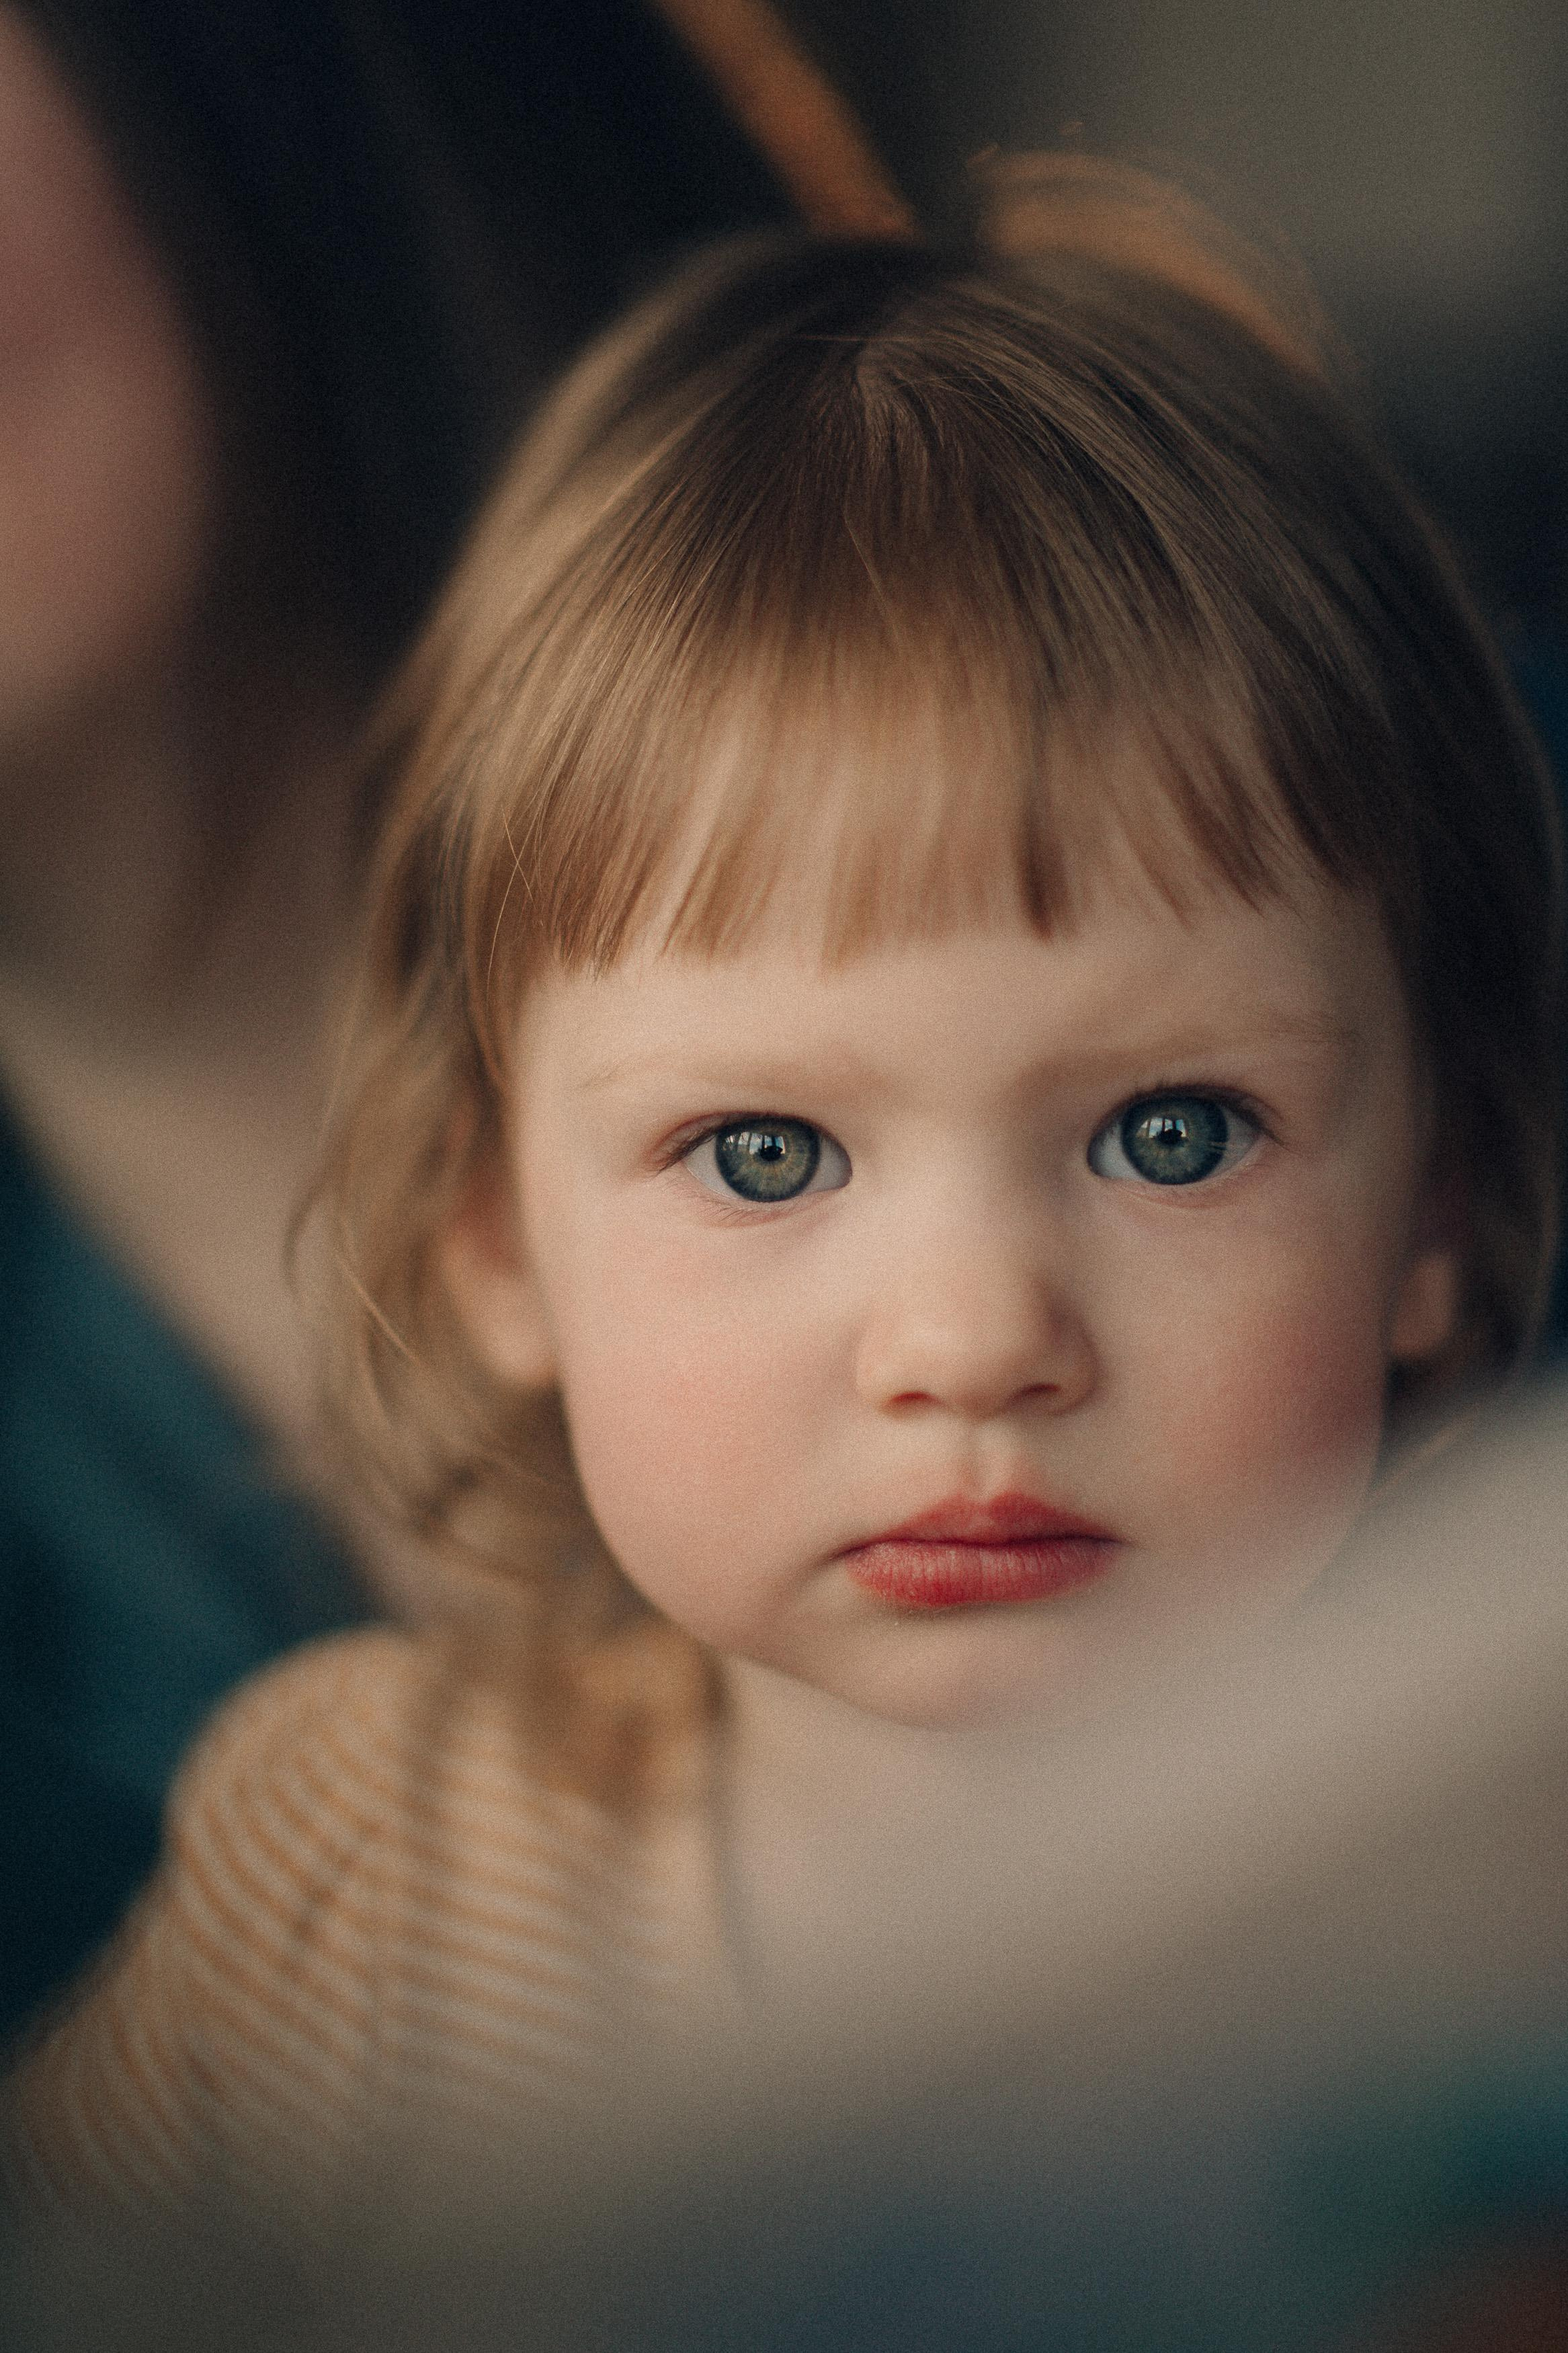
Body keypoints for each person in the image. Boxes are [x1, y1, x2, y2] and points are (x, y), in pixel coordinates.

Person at [7, 155, 1560, 2235]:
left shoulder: (1503, 1914)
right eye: (766, 1153)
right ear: (494, 1241)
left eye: (1173, 1134)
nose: (975, 1339)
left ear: (1440, 1205)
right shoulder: (352, 1887)